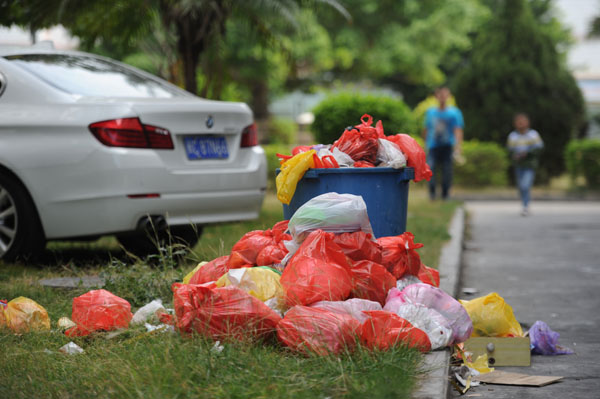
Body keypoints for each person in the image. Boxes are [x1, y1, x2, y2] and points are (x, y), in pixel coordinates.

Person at [423, 86, 464, 200]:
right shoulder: (430, 112)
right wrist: (424, 144)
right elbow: (426, 129)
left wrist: (458, 146)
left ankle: (445, 195)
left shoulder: (454, 113)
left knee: (447, 172)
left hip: (447, 146)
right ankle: (432, 194)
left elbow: (458, 130)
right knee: (430, 170)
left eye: (445, 95)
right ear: (436, 96)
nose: (442, 97)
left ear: (449, 96)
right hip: (432, 146)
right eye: (440, 94)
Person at [507, 113, 544, 216]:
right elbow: (510, 150)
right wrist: (515, 155)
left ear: (527, 123)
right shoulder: (513, 136)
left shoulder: (533, 134)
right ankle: (524, 205)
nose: (521, 124)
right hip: (518, 164)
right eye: (519, 122)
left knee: (525, 185)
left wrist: (527, 153)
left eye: (523, 122)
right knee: (521, 186)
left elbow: (539, 148)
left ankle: (526, 206)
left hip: (529, 165)